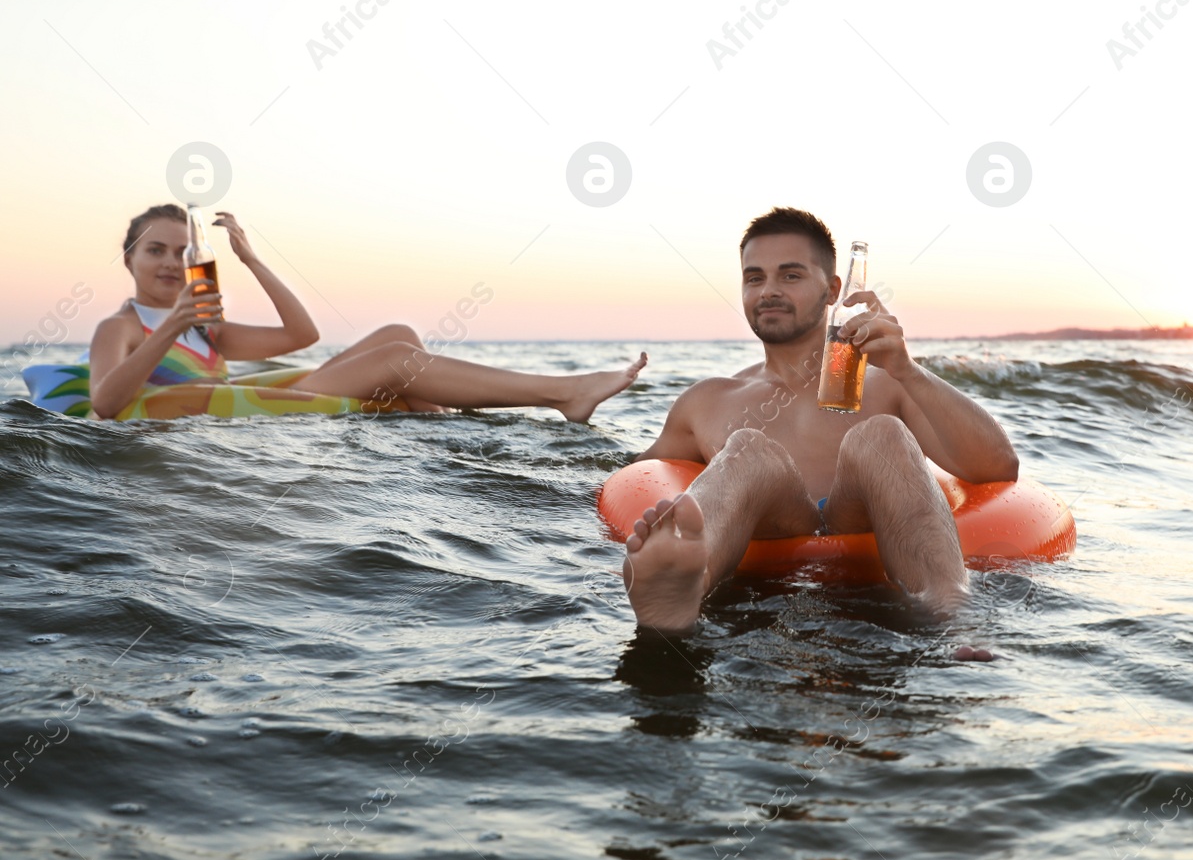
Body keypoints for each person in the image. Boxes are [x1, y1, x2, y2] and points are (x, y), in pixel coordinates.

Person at [622, 207, 1019, 641]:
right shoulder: (707, 401)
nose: (768, 291)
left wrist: (909, 370)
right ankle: (682, 591)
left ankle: (952, 609)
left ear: (833, 290)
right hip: (770, 530)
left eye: (790, 276)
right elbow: (636, 478)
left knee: (880, 434)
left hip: (862, 528)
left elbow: (998, 467)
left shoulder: (887, 383)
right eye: (754, 278)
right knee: (748, 448)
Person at [88, 204, 645, 420]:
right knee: (400, 357)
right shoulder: (122, 327)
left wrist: (252, 260)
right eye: (154, 250)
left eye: (181, 252)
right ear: (129, 258)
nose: (169, 262)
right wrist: (176, 327)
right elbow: (107, 401)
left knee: (399, 333)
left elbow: (301, 335)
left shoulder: (210, 331)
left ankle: (443, 422)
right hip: (228, 414)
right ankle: (559, 393)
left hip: (251, 394)